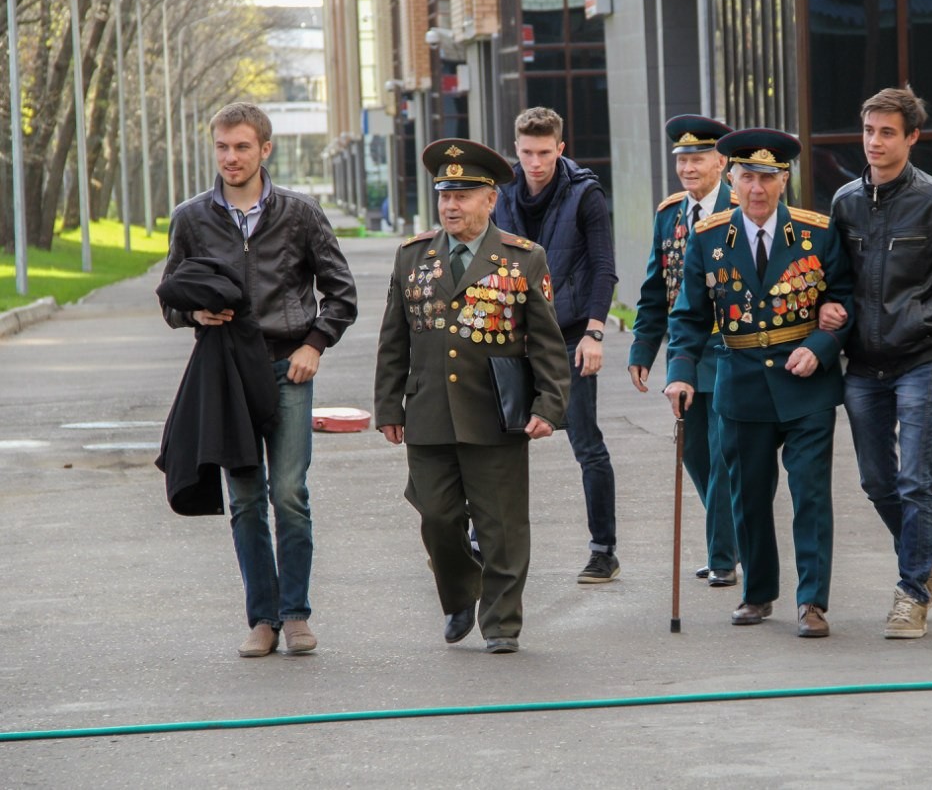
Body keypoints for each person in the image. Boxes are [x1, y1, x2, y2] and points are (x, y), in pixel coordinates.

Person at [160, 102, 358, 658]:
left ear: (264, 149)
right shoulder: (192, 218)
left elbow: (341, 293)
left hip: (288, 366)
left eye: (242, 146)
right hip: (226, 372)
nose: (230, 157)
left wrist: (314, 345)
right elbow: (170, 298)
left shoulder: (300, 213)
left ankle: (296, 614)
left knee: (289, 493)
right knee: (246, 499)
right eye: (222, 146)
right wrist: (194, 315)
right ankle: (262, 619)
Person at [374, 138, 571, 655]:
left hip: (495, 412)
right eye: (445, 195)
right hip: (429, 410)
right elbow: (394, 338)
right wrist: (388, 406)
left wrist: (549, 405)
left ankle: (502, 622)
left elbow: (548, 342)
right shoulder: (413, 257)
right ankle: (461, 591)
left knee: (501, 523)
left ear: (490, 200)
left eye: (463, 195)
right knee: (437, 516)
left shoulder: (523, 259)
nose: (451, 205)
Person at [664, 128, 853, 637]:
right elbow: (687, 317)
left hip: (807, 385)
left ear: (784, 179)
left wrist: (819, 347)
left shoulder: (817, 233)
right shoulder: (709, 238)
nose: (757, 188)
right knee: (747, 494)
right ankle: (758, 593)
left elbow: (846, 300)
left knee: (810, 493)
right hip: (741, 381)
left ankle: (812, 602)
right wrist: (679, 374)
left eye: (768, 177)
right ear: (731, 178)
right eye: (747, 176)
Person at [822, 85, 932, 639]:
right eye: (868, 131)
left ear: (912, 137)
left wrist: (915, 320)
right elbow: (834, 281)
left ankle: (911, 591)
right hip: (863, 365)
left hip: (922, 359)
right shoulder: (844, 203)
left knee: (916, 479)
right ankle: (928, 566)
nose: (875, 142)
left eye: (888, 132)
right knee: (875, 480)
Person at [493, 107, 621, 584]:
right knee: (495, 441)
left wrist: (594, 332)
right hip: (512, 336)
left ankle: (603, 550)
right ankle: (484, 540)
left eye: (545, 153)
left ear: (560, 149)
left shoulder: (585, 194)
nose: (535, 163)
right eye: (526, 153)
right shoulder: (501, 191)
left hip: (569, 335)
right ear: (517, 148)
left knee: (587, 444)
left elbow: (604, 267)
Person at [628, 114, 738, 586]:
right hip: (686, 353)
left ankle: (722, 557)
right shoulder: (670, 214)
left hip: (732, 349)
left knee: (722, 451)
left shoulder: (744, 206)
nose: (689, 169)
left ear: (721, 162)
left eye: (698, 160)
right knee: (694, 452)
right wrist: (641, 350)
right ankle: (729, 544)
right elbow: (657, 288)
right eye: (682, 161)